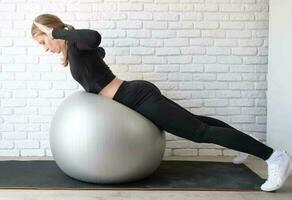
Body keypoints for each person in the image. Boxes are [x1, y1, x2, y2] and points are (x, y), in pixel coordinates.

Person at [31, 13, 291, 192]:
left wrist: (56, 31)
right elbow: (99, 54)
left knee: (199, 132)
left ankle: (274, 157)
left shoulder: (76, 44)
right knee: (199, 122)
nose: (45, 47)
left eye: (43, 41)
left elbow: (95, 39)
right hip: (135, 94)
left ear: (52, 32)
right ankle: (243, 144)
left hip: (135, 96)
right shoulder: (76, 50)